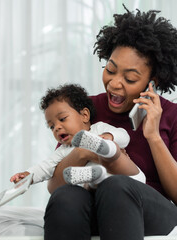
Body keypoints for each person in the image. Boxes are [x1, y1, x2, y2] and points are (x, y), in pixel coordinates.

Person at [44, 5, 177, 240]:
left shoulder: (171, 115)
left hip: (150, 209)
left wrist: (153, 136)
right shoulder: (86, 110)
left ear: (152, 83)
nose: (114, 83)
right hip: (91, 207)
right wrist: (84, 152)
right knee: (66, 196)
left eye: (130, 78)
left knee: (115, 186)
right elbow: (55, 186)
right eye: (110, 70)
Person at [10, 84, 145, 188]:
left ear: (84, 115)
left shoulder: (99, 128)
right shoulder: (63, 151)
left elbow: (124, 136)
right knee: (90, 186)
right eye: (51, 126)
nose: (56, 127)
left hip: (130, 180)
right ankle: (95, 176)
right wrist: (28, 176)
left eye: (62, 119)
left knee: (114, 149)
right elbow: (44, 167)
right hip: (100, 188)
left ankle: (105, 148)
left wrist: (108, 136)